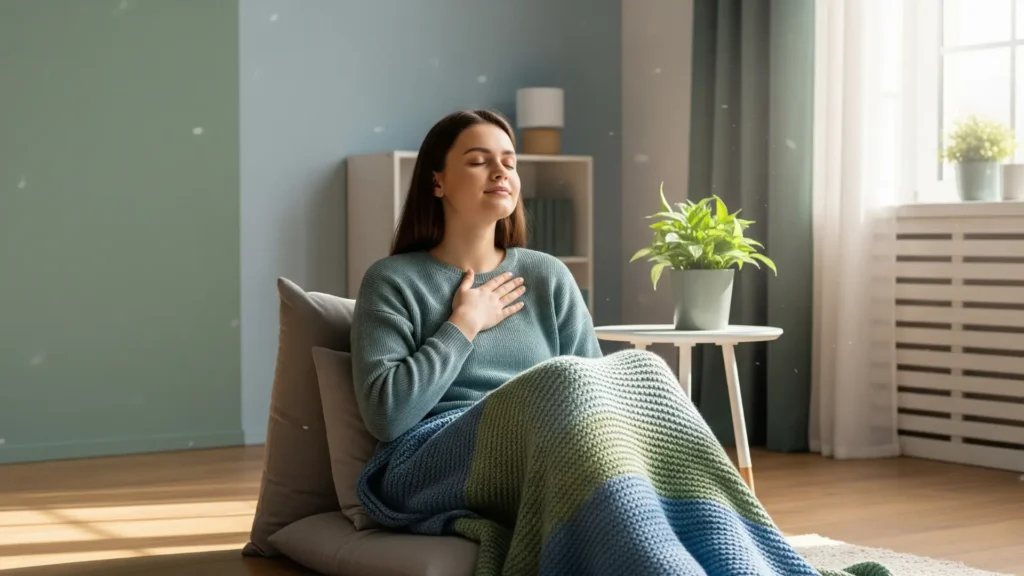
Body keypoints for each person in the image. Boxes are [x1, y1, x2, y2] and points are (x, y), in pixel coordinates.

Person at [350, 110, 882, 576]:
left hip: (546, 447)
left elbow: (593, 387)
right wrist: (463, 326)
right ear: (437, 181)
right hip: (430, 462)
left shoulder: (546, 275)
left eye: (509, 161)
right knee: (563, 378)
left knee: (642, 371)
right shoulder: (394, 280)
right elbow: (387, 416)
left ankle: (740, 557)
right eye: (477, 160)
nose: (501, 172)